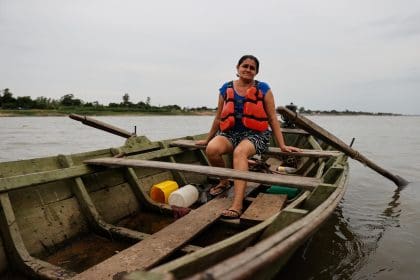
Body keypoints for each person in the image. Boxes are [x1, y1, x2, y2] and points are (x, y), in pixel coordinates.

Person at [196, 55, 301, 219]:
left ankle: (237, 204)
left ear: (256, 72)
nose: (248, 69)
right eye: (245, 66)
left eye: (252, 68)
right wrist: (207, 139)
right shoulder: (226, 88)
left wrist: (282, 146)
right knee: (212, 149)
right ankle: (224, 182)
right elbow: (218, 117)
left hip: (256, 135)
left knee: (240, 153)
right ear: (237, 68)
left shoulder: (264, 88)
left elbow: (273, 119)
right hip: (230, 133)